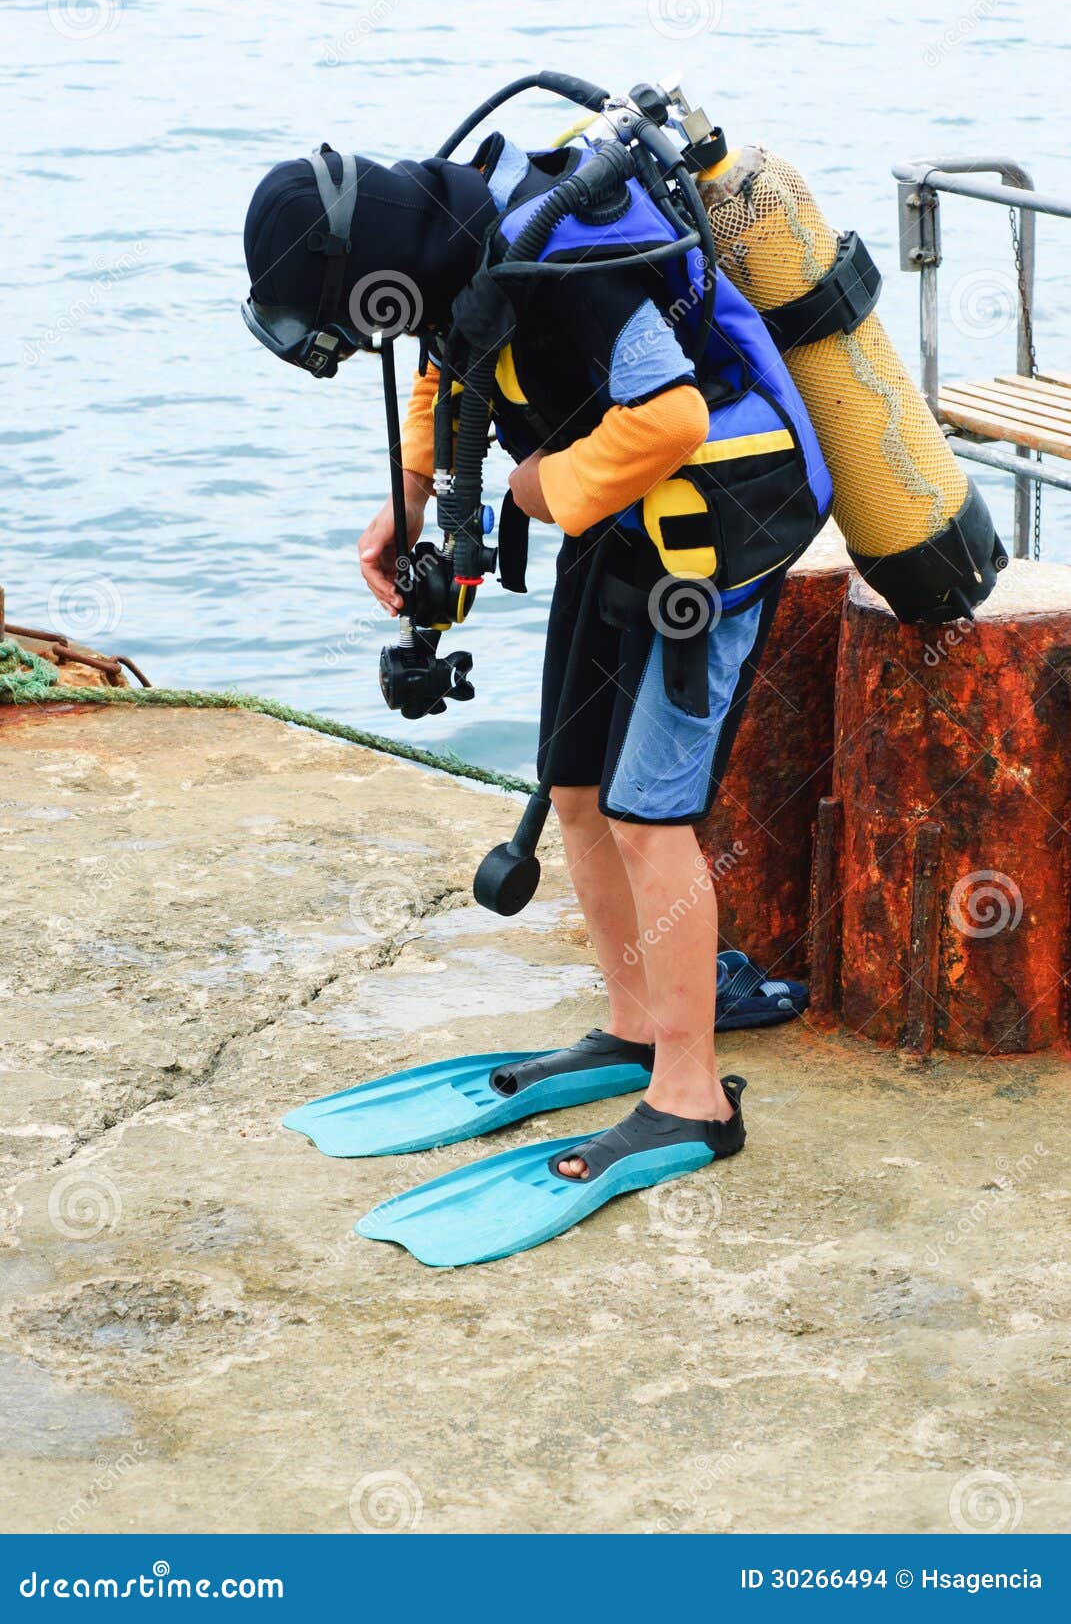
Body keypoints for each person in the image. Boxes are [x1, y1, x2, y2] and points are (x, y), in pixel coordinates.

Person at [244, 117, 829, 1214]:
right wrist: (411, 493)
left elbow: (669, 414)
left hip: (716, 522)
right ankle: (638, 1027)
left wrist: (527, 493)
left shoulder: (571, 267)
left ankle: (696, 1093)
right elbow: (446, 354)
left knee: (652, 816)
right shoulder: (442, 233)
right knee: (573, 789)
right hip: (616, 511)